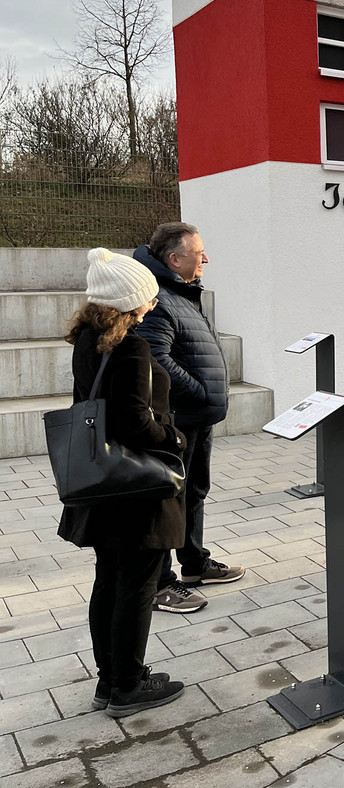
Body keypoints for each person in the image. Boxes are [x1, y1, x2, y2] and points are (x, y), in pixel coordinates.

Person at [58, 248, 188, 718]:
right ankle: (129, 687)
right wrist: (174, 436)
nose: (152, 305)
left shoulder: (87, 339)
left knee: (109, 582)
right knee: (137, 585)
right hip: (137, 485)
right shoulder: (131, 346)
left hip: (102, 482)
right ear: (130, 302)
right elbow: (135, 422)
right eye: (148, 299)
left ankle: (109, 681)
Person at [134, 223, 243, 614]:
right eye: (200, 253)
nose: (206, 259)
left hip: (198, 417)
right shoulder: (158, 299)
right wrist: (200, 390)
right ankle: (162, 583)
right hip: (179, 418)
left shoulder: (181, 293)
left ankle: (194, 564)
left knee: (194, 492)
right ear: (175, 258)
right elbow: (156, 360)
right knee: (170, 498)